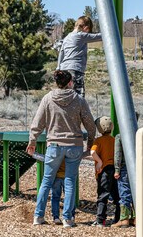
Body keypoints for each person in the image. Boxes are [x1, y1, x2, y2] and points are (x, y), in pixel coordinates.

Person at [27, 70, 96, 227]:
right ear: (70, 83)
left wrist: (32, 141)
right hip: (74, 146)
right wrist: (90, 142)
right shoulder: (79, 100)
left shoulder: (48, 99)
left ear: (57, 83)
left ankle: (38, 216)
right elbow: (90, 125)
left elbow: (37, 123)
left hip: (54, 146)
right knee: (70, 181)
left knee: (46, 181)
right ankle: (68, 218)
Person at [57, 15, 102, 97]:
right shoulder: (81, 35)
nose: (88, 33)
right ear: (86, 27)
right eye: (88, 30)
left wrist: (58, 68)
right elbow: (100, 36)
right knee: (78, 97)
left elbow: (61, 53)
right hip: (75, 69)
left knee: (66, 96)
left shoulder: (67, 37)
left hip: (63, 69)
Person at [90, 116, 120, 227]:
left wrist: (99, 162)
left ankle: (100, 220)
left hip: (104, 171)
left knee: (103, 195)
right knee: (117, 197)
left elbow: (93, 152)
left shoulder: (98, 141)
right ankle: (118, 218)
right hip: (115, 170)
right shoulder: (114, 139)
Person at [112, 113, 139, 228]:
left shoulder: (120, 136)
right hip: (137, 167)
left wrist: (117, 169)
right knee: (135, 192)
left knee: (124, 191)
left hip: (124, 168)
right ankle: (135, 217)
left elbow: (118, 155)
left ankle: (124, 219)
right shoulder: (139, 134)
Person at [51, 161, 66, 225]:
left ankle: (56, 217)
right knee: (69, 197)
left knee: (55, 197)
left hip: (56, 175)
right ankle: (68, 217)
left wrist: (34, 154)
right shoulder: (69, 152)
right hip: (67, 176)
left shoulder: (56, 152)